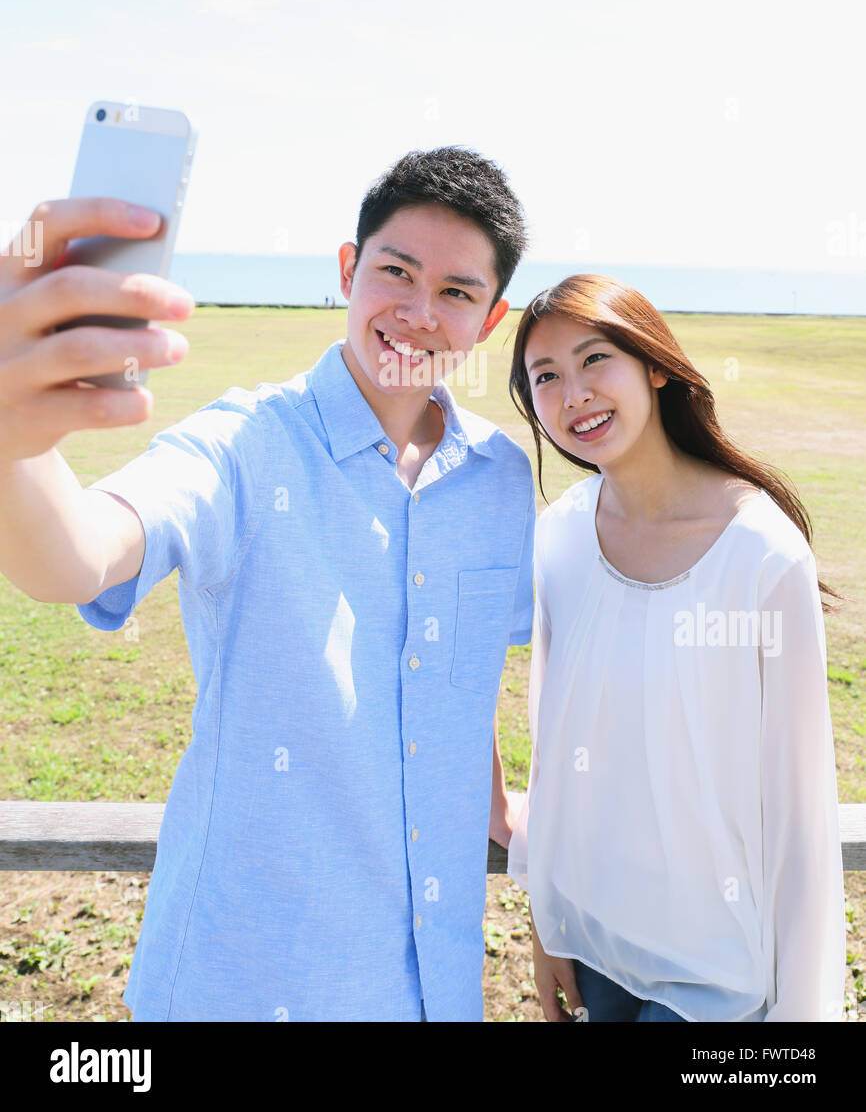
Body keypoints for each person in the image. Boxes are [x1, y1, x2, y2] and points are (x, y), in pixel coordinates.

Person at [0, 146, 536, 1022]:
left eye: (456, 292)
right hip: (244, 983)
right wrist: (12, 437)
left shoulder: (500, 481)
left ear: (491, 317)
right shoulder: (247, 444)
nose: (417, 312)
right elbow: (74, 556)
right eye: (395, 272)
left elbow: (460, 677)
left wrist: (500, 804)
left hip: (435, 992)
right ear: (346, 270)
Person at [506, 274, 846, 1023]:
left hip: (716, 979)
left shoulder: (761, 553)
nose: (575, 396)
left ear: (655, 365)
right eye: (547, 378)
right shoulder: (559, 536)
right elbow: (557, 748)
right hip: (596, 947)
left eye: (596, 360)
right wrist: (548, 921)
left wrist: (798, 1023)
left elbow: (799, 812)